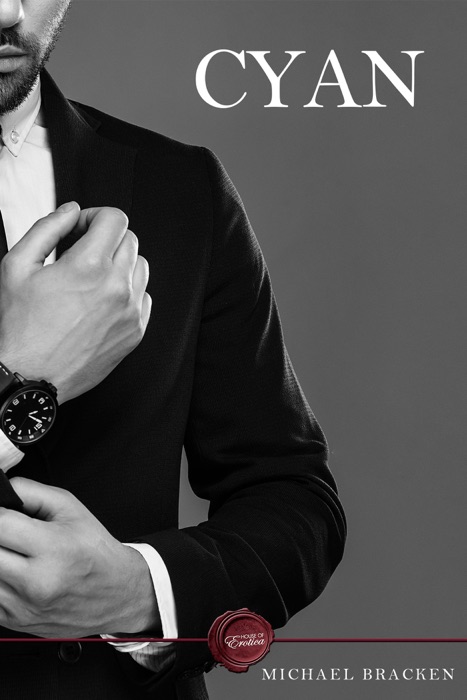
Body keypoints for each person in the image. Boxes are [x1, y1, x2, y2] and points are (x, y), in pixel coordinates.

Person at [0, 1, 346, 698]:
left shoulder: (178, 185)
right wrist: (26, 379)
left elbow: (291, 498)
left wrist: (142, 594)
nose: (8, 9)